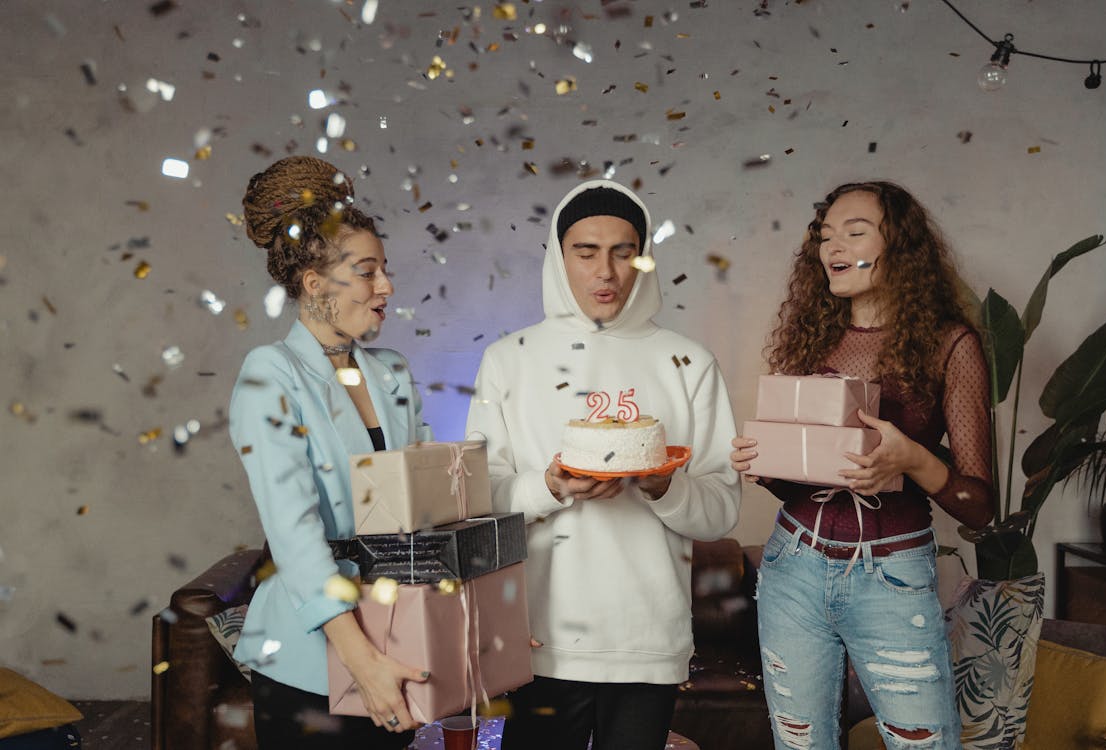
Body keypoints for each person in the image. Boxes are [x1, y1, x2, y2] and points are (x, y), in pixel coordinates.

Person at [465, 180, 741, 750]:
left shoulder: (687, 362)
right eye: (585, 251)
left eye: (623, 251)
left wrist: (666, 487)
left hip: (648, 637)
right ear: (557, 257)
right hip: (541, 637)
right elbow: (478, 499)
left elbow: (721, 512)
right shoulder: (508, 361)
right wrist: (548, 486)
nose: (606, 272)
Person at [731, 181, 994, 749]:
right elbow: (804, 482)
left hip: (892, 576)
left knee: (923, 742)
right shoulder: (812, 340)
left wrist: (914, 458)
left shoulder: (952, 344)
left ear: (900, 246)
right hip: (791, 569)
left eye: (855, 232)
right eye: (826, 237)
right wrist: (764, 463)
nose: (834, 247)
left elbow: (980, 504)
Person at [229, 155, 431, 748]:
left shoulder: (392, 371)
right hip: (309, 654)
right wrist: (360, 660)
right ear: (314, 284)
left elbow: (425, 511)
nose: (387, 287)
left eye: (385, 270)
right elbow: (294, 534)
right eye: (367, 272)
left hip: (396, 635)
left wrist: (469, 620)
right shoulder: (269, 373)